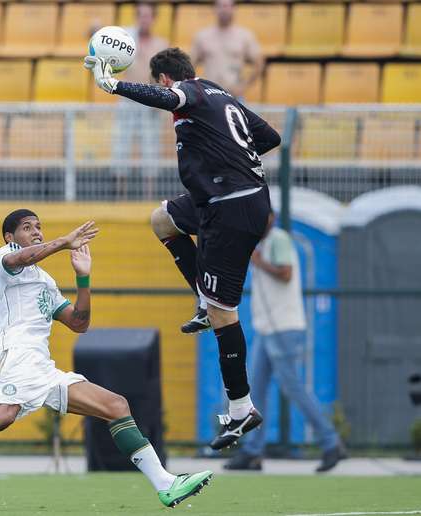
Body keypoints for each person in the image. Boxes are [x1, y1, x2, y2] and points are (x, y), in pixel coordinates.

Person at [0, 210, 213, 508]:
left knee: (115, 406)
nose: (36, 232)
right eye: (27, 227)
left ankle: (165, 484)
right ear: (9, 237)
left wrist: (83, 277)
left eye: (39, 227)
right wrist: (64, 241)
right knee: (3, 413)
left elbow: (79, 323)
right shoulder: (3, 259)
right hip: (14, 353)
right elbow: (22, 258)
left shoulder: (45, 282)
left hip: (42, 365)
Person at [85, 47, 280, 450]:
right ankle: (200, 300)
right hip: (223, 198)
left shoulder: (188, 92)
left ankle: (242, 409)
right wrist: (230, 158)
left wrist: (114, 84)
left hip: (231, 206)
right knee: (162, 219)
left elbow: (171, 99)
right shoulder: (220, 94)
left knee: (224, 313)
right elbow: (270, 137)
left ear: (163, 79)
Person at [225, 215, 347, 472]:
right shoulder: (263, 243)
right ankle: (253, 453)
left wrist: (260, 262)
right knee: (254, 390)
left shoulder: (278, 239)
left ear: (270, 219)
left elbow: (287, 273)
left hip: (283, 328)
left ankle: (330, 441)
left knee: (293, 388)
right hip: (267, 328)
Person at [111, 3, 169, 199]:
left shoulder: (161, 44)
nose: (144, 19)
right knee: (121, 147)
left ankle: (149, 197)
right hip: (127, 100)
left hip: (150, 102)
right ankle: (120, 196)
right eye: (141, 16)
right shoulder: (127, 40)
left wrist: (159, 98)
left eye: (148, 16)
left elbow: (165, 76)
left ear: (153, 18)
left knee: (150, 149)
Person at [191, 0, 264, 100]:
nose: (224, 10)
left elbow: (259, 63)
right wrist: (198, 86)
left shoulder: (245, 36)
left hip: (234, 95)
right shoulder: (202, 36)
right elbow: (190, 65)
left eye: (228, 6)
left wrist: (244, 86)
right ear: (214, 9)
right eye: (220, 6)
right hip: (209, 95)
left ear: (234, 9)